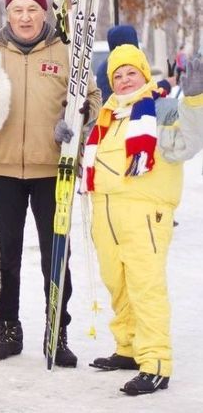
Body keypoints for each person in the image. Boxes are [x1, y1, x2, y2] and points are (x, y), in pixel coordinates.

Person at [0, 0, 101, 366]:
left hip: (53, 168)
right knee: (5, 255)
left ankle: (57, 331)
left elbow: (93, 97)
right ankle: (9, 329)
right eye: (17, 9)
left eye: (32, 8)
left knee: (56, 255)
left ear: (44, 10)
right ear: (8, 13)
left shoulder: (66, 51)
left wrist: (78, 119)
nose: (25, 17)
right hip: (0, 168)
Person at [84, 45, 203, 395]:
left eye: (130, 73)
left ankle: (155, 363)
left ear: (144, 74)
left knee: (145, 286)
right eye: (117, 76)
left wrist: (195, 101)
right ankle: (129, 347)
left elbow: (188, 144)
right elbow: (92, 163)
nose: (124, 81)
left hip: (144, 213)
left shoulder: (161, 107)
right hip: (105, 211)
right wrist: (68, 140)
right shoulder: (107, 116)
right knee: (117, 282)